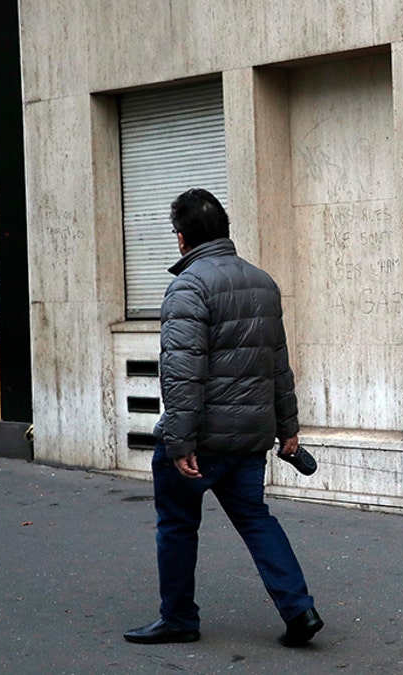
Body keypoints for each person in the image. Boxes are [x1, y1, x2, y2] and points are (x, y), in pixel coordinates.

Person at [124, 188, 323, 648]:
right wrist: (288, 428)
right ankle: (300, 610)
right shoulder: (262, 282)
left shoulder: (188, 287)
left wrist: (179, 442)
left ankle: (178, 618)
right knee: (256, 519)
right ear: (225, 230)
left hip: (203, 441)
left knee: (176, 524)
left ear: (181, 238)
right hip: (250, 439)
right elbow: (278, 363)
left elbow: (182, 374)